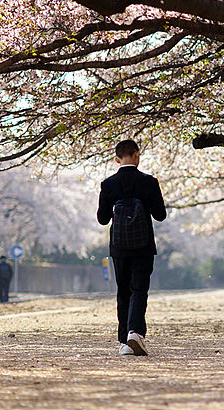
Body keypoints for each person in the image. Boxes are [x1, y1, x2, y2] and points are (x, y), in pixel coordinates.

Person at [97, 139, 167, 356]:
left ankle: (125, 342)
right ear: (137, 155)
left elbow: (102, 218)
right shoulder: (149, 182)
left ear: (117, 159)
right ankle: (135, 332)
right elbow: (160, 215)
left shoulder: (108, 184)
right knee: (139, 290)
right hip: (143, 245)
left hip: (119, 247)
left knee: (123, 291)